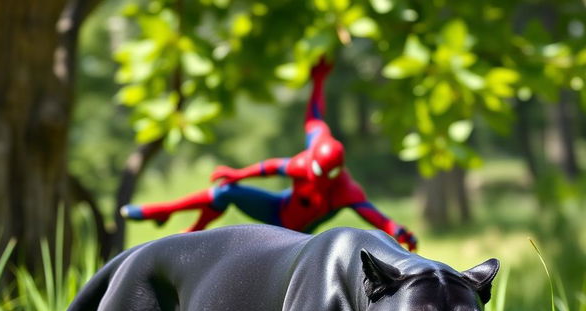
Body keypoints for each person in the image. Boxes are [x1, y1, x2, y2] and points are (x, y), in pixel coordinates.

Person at [121, 58, 418, 251]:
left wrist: (400, 232)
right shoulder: (307, 160)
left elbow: (375, 216)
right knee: (225, 192)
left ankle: (181, 227)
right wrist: (318, 80)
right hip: (277, 209)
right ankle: (168, 215)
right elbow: (302, 129)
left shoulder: (344, 191)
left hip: (295, 235)